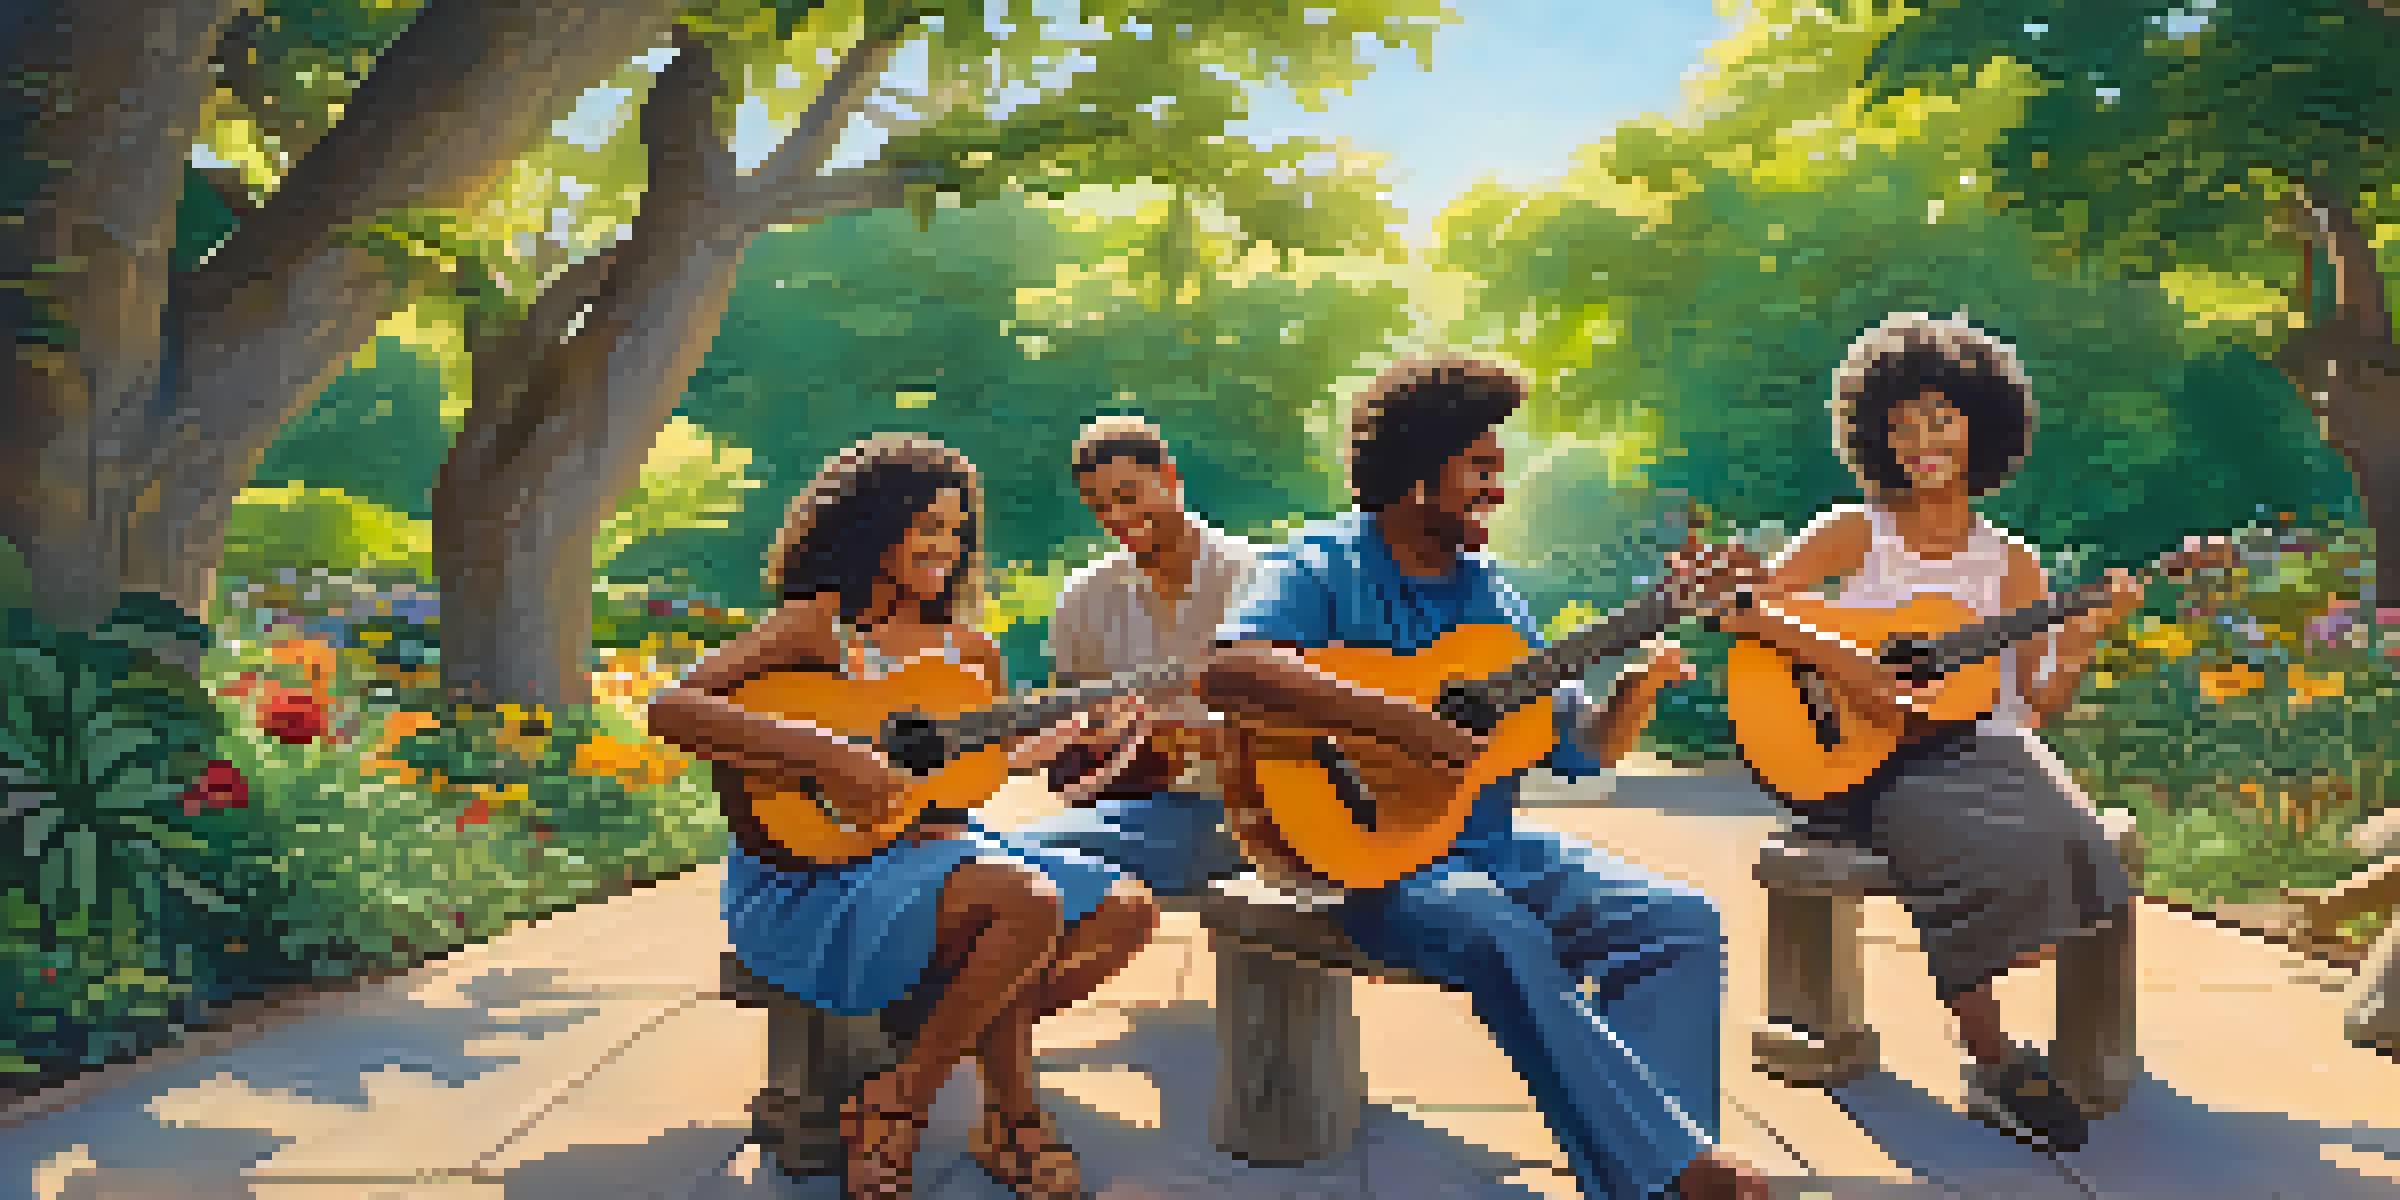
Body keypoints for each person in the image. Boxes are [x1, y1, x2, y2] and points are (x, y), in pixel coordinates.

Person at [1196, 359, 1770, 1200]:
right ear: (1419, 470)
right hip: (1373, 859)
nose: (1498, 490)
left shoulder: (1492, 594)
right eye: (1481, 468)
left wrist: (1634, 692)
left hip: (1494, 847)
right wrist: (1404, 725)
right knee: (1497, 929)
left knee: (1678, 921)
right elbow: (1232, 672)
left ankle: (1658, 1176)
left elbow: (1578, 748)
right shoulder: (1321, 562)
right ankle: (1677, 1173)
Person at [647, 434, 1158, 1200]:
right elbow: (672, 708)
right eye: (926, 527)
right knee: (1026, 902)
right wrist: (827, 756)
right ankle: (988, 1114)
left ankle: (908, 1083)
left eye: (956, 530)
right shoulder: (814, 627)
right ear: (871, 526)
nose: (945, 547)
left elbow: (973, 765)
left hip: (937, 850)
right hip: (813, 874)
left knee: (1125, 909)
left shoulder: (972, 652)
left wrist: (1073, 735)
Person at [1713, 312, 2145, 1153]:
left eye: (1941, 420)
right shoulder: (1853, 532)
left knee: (2072, 832)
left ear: (1983, 427)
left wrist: (2080, 642)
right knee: (1947, 841)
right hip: (1850, 756)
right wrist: (1853, 667)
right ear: (1873, 433)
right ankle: (1994, 1063)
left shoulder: (2012, 566)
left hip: (1976, 749)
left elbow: (2032, 707)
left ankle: (2043, 1027)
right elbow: (1744, 611)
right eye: (1902, 424)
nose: (1921, 442)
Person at [1009, 415, 1254, 896]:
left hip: (1252, 805)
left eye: (1129, 494)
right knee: (1006, 854)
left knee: (1019, 861)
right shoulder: (1083, 597)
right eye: (1100, 506)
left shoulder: (1259, 578)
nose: (1118, 517)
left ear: (1169, 476)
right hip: (1137, 806)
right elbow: (1080, 731)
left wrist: (1186, 735)